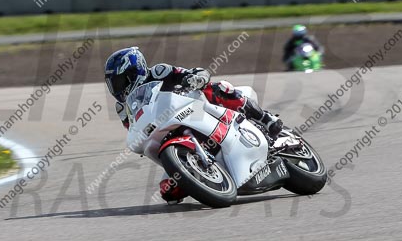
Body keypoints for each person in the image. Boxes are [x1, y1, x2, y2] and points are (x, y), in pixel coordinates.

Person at [104, 46, 284, 203]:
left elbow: (192, 72)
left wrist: (194, 78)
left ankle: (264, 118)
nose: (117, 89)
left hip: (193, 106)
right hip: (163, 128)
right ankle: (197, 171)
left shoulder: (158, 72)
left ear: (134, 71)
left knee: (219, 87)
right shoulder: (123, 107)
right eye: (113, 85)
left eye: (119, 82)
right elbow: (133, 126)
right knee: (168, 192)